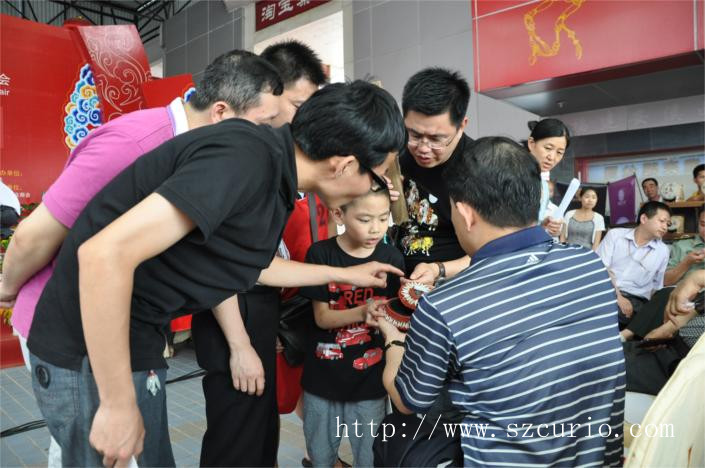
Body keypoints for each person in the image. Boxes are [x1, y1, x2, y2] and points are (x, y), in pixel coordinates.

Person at [21, 80, 405, 467]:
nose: (382, 186)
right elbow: (103, 255)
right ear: (344, 164)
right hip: (87, 346)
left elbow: (255, 266)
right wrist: (117, 404)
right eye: (378, 175)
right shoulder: (244, 158)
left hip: (135, 335)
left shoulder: (275, 176)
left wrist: (347, 274)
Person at [0, 50, 283, 467]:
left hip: (121, 324)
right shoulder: (132, 144)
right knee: (102, 448)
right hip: (63, 323)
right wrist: (7, 289)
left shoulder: (207, 158)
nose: (272, 141)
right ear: (222, 112)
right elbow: (34, 235)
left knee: (92, 448)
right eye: (264, 125)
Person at [369, 136, 624, 466]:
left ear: (465, 213)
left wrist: (393, 340)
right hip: (595, 459)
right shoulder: (589, 265)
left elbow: (408, 401)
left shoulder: (445, 306)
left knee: (395, 431)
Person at [191, 40, 329, 467]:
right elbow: (216, 259)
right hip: (234, 325)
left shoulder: (270, 160)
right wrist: (240, 345)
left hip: (259, 322)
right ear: (267, 92)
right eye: (296, 105)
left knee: (260, 439)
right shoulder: (233, 161)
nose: (298, 118)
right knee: (236, 445)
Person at [299, 188, 404, 467]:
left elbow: (394, 319)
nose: (376, 228)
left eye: (383, 218)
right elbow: (322, 318)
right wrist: (362, 311)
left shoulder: (392, 258)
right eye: (365, 219)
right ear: (338, 214)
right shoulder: (321, 254)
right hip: (322, 379)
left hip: (370, 382)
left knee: (370, 458)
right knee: (320, 457)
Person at [393, 67, 472, 284]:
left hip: (452, 284)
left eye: (436, 139)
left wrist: (439, 270)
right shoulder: (395, 153)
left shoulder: (479, 167)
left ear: (462, 126)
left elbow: (493, 250)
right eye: (414, 134)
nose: (423, 148)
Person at [619, 209, 705, 342]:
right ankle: (632, 336)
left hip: (701, 296)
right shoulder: (682, 245)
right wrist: (687, 262)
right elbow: (665, 281)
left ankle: (634, 336)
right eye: (703, 224)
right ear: (697, 223)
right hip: (677, 292)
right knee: (665, 292)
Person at [622, 269, 704, 395]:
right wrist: (668, 328)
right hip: (670, 347)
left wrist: (697, 278)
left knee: (602, 367)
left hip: (688, 374)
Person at [597, 201, 671, 329]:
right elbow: (600, 267)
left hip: (635, 299)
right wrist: (617, 296)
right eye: (662, 221)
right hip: (605, 291)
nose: (665, 227)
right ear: (644, 219)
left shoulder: (663, 251)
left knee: (606, 313)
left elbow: (656, 286)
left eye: (668, 224)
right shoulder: (615, 235)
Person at [526, 118, 571, 238]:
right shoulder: (512, 174)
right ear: (531, 143)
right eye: (548, 148)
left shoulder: (541, 182)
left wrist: (544, 226)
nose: (552, 157)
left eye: (559, 152)